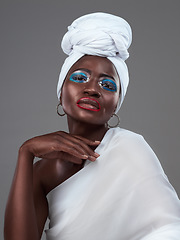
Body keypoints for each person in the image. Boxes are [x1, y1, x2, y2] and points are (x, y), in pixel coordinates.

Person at [4, 12, 180, 240]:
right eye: (79, 78)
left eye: (107, 84)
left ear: (117, 103)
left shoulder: (130, 148)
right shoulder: (40, 174)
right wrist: (25, 153)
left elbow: (168, 229)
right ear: (61, 93)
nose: (93, 89)